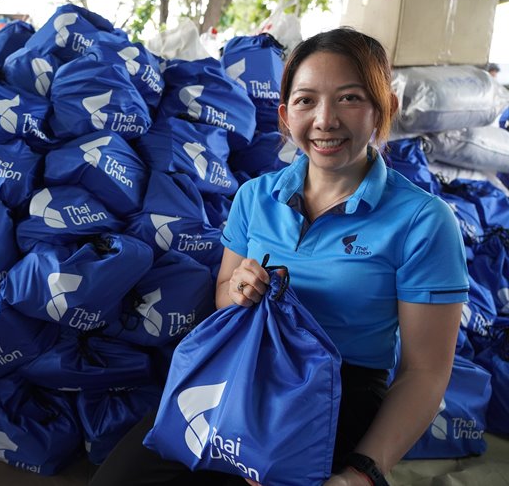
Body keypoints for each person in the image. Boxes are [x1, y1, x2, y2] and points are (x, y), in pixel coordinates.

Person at [89, 27, 468, 486]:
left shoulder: (423, 221)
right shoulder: (255, 196)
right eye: (307, 100)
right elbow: (224, 296)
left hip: (337, 391)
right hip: (240, 368)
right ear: (286, 115)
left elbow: (425, 372)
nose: (325, 120)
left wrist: (362, 472)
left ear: (384, 108)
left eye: (349, 98)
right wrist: (239, 290)